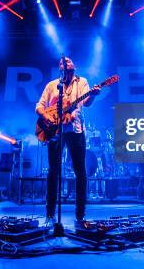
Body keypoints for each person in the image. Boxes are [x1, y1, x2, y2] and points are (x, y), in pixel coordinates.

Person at [36, 57, 100, 225]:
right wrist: (47, 117)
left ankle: (80, 215)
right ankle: (50, 214)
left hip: (76, 130)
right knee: (53, 171)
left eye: (68, 61)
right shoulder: (52, 85)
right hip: (55, 131)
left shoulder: (83, 82)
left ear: (74, 66)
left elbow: (87, 103)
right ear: (60, 68)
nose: (64, 62)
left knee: (80, 172)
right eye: (62, 62)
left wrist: (92, 95)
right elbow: (39, 106)